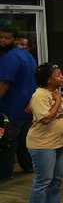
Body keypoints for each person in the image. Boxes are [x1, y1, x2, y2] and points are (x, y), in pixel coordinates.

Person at [26, 63, 63, 203]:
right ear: (48, 79)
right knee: (43, 181)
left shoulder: (53, 92)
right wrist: (59, 99)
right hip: (42, 145)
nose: (62, 77)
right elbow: (46, 119)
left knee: (56, 179)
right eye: (58, 75)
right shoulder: (40, 95)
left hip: (59, 143)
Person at [0, 27, 37, 181]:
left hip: (11, 108)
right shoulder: (27, 55)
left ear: (14, 40)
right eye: (0, 37)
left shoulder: (10, 57)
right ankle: (28, 167)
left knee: (7, 143)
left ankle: (5, 174)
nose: (2, 41)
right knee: (23, 142)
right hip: (27, 107)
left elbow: (4, 83)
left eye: (6, 38)